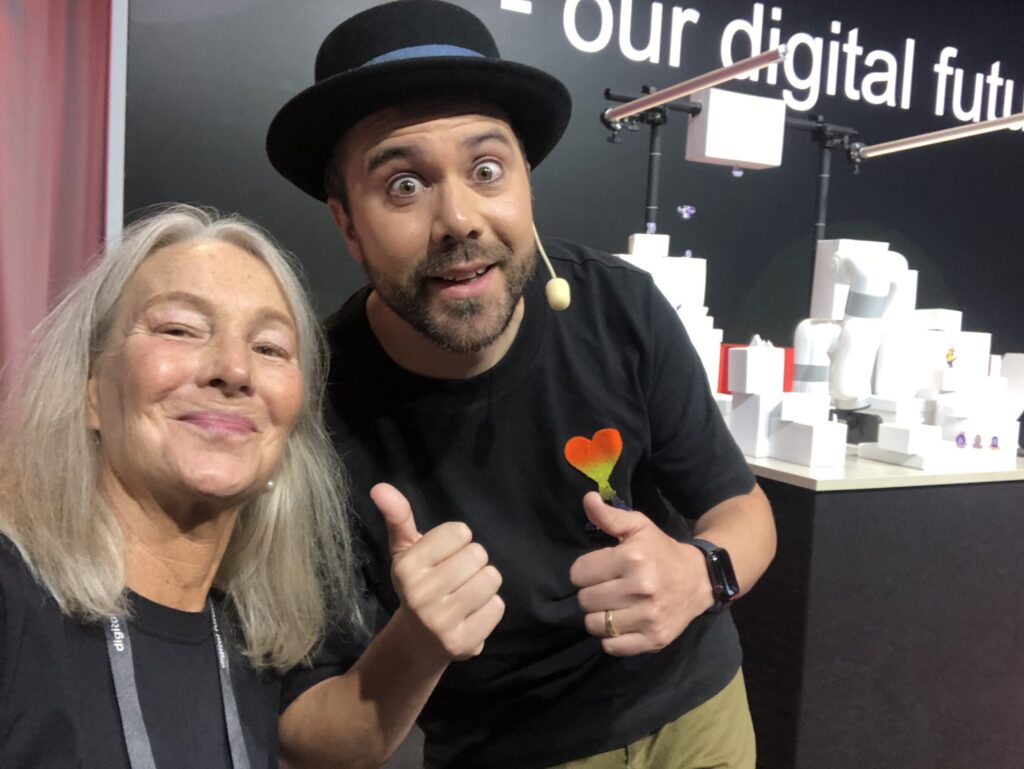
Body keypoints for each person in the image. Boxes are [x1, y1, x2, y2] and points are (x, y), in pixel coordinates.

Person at [267, 2, 777, 768]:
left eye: (485, 170)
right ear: (347, 224)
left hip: (700, 712)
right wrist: (415, 643)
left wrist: (703, 572)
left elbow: (743, 508)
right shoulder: (313, 408)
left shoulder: (620, 307)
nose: (458, 218)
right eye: (403, 185)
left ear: (525, 182)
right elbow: (310, 736)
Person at [0, 204, 469, 769]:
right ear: (91, 391)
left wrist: (418, 640)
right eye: (179, 329)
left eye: (269, 347)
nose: (233, 369)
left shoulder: (254, 645)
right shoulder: (14, 600)